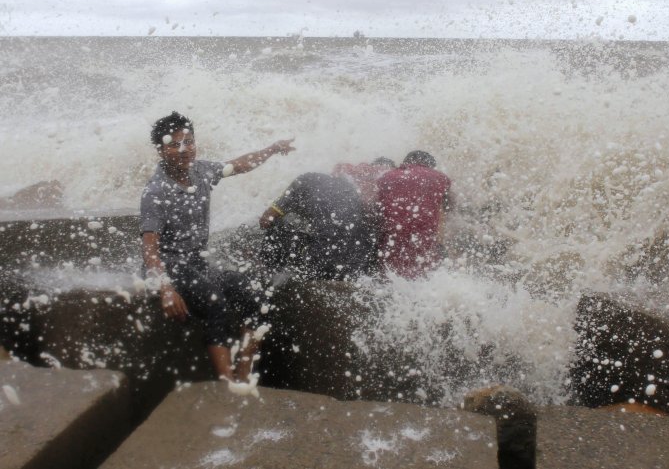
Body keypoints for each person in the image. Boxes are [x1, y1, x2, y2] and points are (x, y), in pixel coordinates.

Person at [140, 111, 294, 382]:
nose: (184, 150)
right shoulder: (156, 191)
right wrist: (165, 287)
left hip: (197, 264)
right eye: (174, 145)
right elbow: (150, 246)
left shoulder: (200, 171)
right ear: (161, 151)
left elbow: (239, 165)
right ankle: (227, 385)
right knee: (215, 301)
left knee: (257, 292)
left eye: (189, 142)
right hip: (170, 266)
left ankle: (244, 375)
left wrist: (272, 149)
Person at [258, 158, 395, 279]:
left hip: (319, 263)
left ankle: (266, 276)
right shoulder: (364, 195)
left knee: (277, 227)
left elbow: (266, 220)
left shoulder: (306, 179)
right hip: (354, 269)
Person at [375, 150, 453, 279]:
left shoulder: (386, 177)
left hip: (389, 256)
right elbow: (446, 210)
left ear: (405, 163)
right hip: (425, 256)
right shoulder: (440, 178)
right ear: (430, 167)